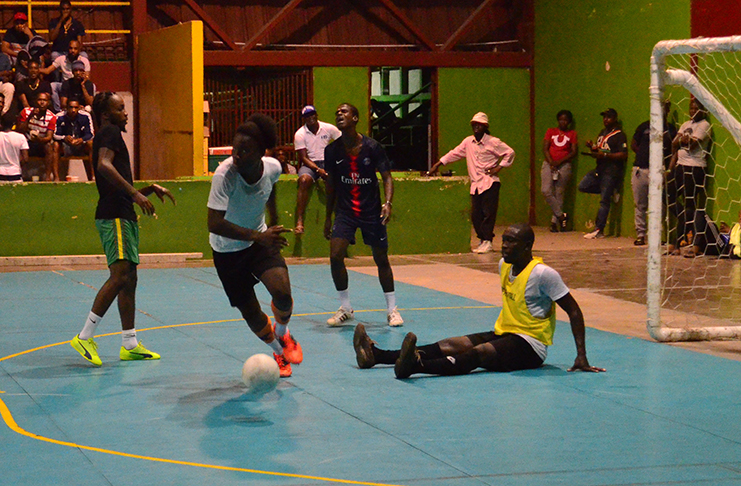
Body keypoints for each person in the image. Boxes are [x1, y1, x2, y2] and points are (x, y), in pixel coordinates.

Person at [353, 223, 606, 379]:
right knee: (454, 343)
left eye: (511, 242)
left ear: (528, 246)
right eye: (503, 240)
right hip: (505, 332)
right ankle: (378, 355)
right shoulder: (503, 266)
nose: (504, 246)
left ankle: (415, 365)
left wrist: (581, 356)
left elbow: (573, 311)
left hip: (531, 346)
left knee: (479, 353)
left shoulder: (544, 274)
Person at [70, 92, 176, 367]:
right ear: (106, 115)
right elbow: (104, 166)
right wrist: (135, 195)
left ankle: (129, 343)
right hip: (114, 215)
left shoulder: (110, 133)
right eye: (120, 108)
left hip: (123, 214)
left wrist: (147, 190)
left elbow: (114, 181)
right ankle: (84, 336)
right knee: (119, 276)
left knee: (129, 278)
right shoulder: (109, 131)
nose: (125, 113)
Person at [207, 114, 303, 378]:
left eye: (245, 150)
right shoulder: (224, 176)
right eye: (235, 149)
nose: (237, 155)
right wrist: (257, 236)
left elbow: (270, 188)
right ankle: (278, 352)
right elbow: (214, 223)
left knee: (282, 293)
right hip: (227, 251)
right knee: (251, 312)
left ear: (261, 152)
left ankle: (283, 335)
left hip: (259, 240)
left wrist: (272, 220)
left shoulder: (273, 167)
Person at [324, 102, 403, 327]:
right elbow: (331, 185)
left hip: (371, 211)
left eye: (344, 111)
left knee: (381, 258)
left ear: (356, 118)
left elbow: (387, 177)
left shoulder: (373, 147)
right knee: (335, 255)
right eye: (337, 111)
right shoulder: (332, 150)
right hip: (346, 212)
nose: (339, 114)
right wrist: (328, 216)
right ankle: (345, 307)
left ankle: (392, 309)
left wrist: (387, 203)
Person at [428, 112, 515, 253]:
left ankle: (487, 241)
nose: (476, 127)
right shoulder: (468, 142)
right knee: (476, 215)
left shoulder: (493, 142)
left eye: (479, 125)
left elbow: (509, 152)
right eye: (474, 124)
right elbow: (454, 153)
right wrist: (438, 164)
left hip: (489, 182)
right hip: (476, 185)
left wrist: (499, 167)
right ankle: (482, 239)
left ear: (485, 127)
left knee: (488, 213)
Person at [667, 99, 711, 257]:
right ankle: (685, 220)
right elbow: (674, 144)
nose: (692, 111)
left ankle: (676, 243)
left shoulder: (705, 125)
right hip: (680, 166)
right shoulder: (686, 124)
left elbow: (691, 145)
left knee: (689, 203)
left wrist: (682, 141)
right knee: (668, 195)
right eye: (691, 108)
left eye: (696, 108)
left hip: (695, 168)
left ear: (703, 110)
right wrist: (669, 169)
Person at [631, 100, 677, 246]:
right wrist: (644, 155)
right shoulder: (644, 126)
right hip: (640, 170)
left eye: (664, 107)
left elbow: (674, 151)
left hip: (659, 171)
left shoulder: (671, 129)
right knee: (640, 204)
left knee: (659, 206)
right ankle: (640, 235)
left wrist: (668, 170)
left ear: (667, 110)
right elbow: (634, 143)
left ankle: (657, 236)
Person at [578, 108, 628, 239]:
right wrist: (592, 147)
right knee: (583, 186)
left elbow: (623, 154)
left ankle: (598, 230)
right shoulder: (602, 133)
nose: (606, 120)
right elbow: (600, 150)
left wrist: (605, 155)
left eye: (609, 117)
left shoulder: (619, 135)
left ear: (615, 119)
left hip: (611, 171)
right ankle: (609, 190)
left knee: (604, 201)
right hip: (599, 169)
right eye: (604, 117)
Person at [293, 105, 342, 234]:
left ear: (316, 115)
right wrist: (317, 170)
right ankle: (299, 220)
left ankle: (336, 220)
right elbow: (303, 157)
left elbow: (342, 142)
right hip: (310, 164)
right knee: (303, 180)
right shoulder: (300, 134)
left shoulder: (328, 128)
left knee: (335, 182)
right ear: (304, 119)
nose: (310, 118)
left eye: (312, 115)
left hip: (327, 162)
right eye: (307, 116)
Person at [541, 110, 577, 232]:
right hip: (549, 164)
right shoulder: (551, 131)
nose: (563, 122)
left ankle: (554, 223)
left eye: (566, 120)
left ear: (569, 122)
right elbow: (545, 148)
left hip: (564, 165)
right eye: (561, 119)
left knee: (559, 193)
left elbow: (573, 151)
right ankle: (562, 216)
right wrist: (551, 162)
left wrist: (560, 162)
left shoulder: (572, 134)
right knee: (546, 190)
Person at [39, 40, 90, 112]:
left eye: (75, 49)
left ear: (79, 50)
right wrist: (34, 69)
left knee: (92, 86)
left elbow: (87, 77)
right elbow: (47, 71)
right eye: (70, 48)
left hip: (78, 85)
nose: (72, 51)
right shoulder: (61, 59)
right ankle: (58, 110)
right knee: (53, 85)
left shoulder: (84, 60)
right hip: (65, 85)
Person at [17, 92, 57, 181]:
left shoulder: (52, 117)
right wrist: (30, 116)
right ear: (35, 101)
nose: (42, 102)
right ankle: (18, 175)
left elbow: (49, 137)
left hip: (40, 142)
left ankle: (47, 177)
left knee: (49, 147)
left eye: (44, 100)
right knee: (18, 145)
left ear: (48, 103)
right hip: (26, 142)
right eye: (39, 100)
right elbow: (20, 130)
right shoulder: (26, 111)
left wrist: (39, 139)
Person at [53, 99, 93, 180]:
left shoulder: (85, 116)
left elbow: (90, 134)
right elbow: (55, 134)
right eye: (71, 107)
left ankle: (93, 177)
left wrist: (81, 139)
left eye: (76, 107)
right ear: (66, 108)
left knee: (91, 144)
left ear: (79, 108)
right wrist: (64, 137)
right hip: (65, 145)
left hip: (81, 145)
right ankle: (56, 177)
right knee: (55, 145)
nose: (73, 110)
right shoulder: (59, 117)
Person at [0, 94, 28, 184]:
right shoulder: (20, 137)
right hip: (15, 173)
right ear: (14, 124)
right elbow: (25, 158)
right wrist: (16, 163)